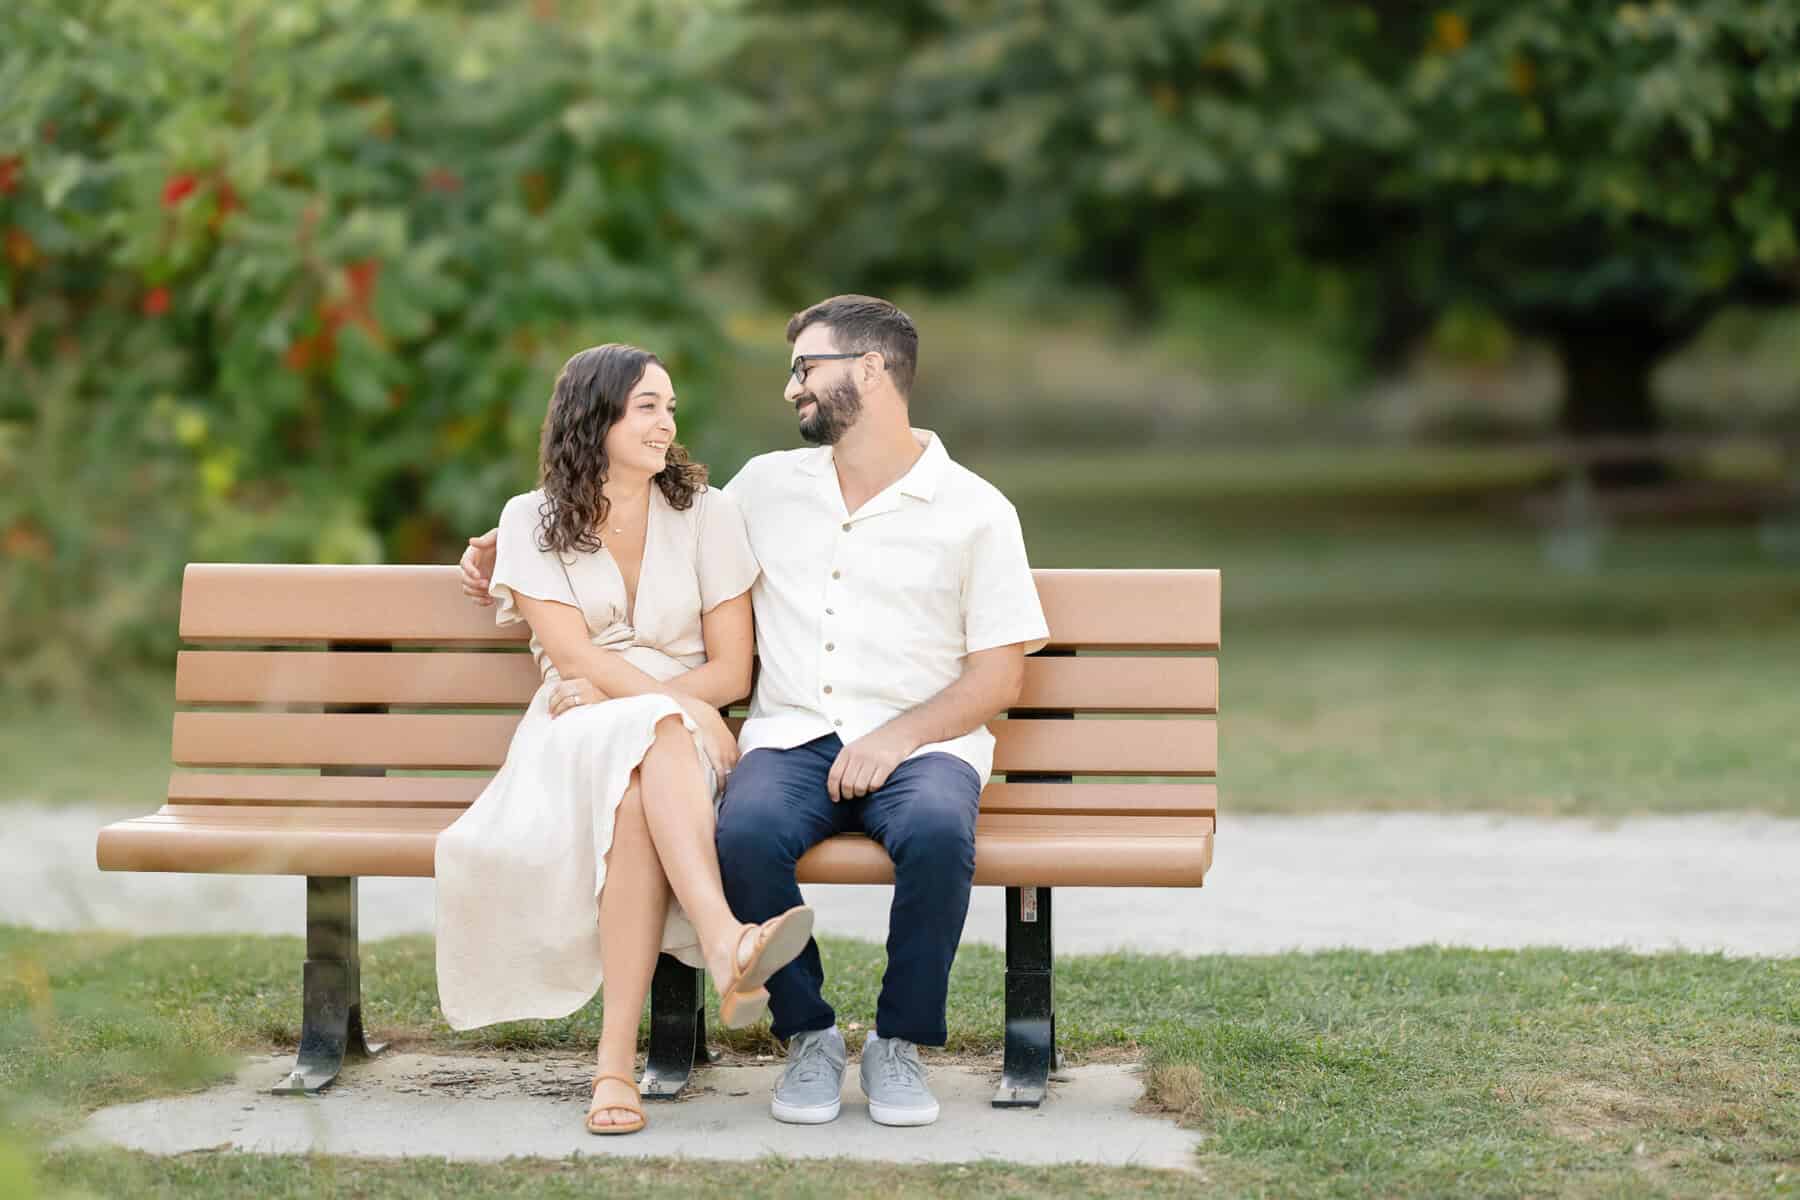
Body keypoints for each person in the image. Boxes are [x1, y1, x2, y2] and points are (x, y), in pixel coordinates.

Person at [462, 297, 1048, 1128]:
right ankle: (807, 1034)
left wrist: (899, 736)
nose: (790, 387)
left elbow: (998, 678)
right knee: (743, 833)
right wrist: (499, 543)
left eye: (806, 368)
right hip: (793, 734)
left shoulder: (976, 510)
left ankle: (898, 1043)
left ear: (870, 371)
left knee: (939, 835)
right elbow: (640, 509)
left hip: (921, 744)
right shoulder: (767, 487)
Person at [435, 343, 814, 1138]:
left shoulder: (710, 515)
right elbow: (573, 661)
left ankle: (615, 1069)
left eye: (670, 407)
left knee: (646, 782)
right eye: (647, 406)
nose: (666, 422)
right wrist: (685, 709)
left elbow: (733, 667)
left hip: (659, 736)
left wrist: (674, 706)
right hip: (574, 734)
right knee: (658, 734)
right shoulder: (530, 521)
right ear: (594, 416)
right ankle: (725, 939)